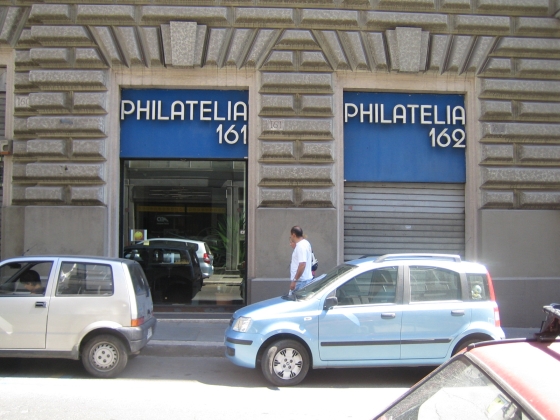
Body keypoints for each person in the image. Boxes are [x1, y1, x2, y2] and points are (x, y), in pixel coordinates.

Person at [289, 226, 314, 292]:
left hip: (301, 282)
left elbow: (302, 264)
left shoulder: (300, 246)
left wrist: (295, 280)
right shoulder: (306, 243)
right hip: (304, 280)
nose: (291, 237)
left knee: (294, 298)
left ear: (294, 235)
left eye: (291, 235)